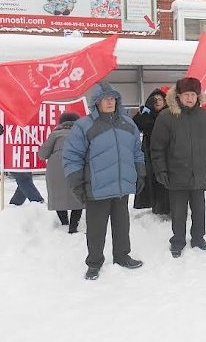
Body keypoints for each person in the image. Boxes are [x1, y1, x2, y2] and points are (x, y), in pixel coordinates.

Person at [63, 82, 146, 280]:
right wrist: (77, 184)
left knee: (122, 224)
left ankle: (122, 255)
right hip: (96, 187)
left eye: (113, 98)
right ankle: (94, 263)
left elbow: (136, 151)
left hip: (121, 186)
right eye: (105, 99)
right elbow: (72, 156)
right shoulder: (84, 125)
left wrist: (140, 173)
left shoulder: (128, 123)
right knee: (96, 229)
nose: (110, 102)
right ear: (96, 102)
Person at [151, 78, 206, 258]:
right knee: (178, 212)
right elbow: (157, 148)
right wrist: (161, 170)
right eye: (186, 95)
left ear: (198, 96)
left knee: (199, 210)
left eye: (193, 95)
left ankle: (198, 238)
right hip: (176, 174)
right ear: (178, 96)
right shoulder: (166, 117)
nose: (189, 98)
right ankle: (178, 241)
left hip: (199, 173)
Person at [0, 113, 45, 205]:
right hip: (7, 154)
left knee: (26, 180)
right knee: (24, 179)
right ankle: (38, 202)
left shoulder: (28, 112)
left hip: (22, 153)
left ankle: (15, 204)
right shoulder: (4, 111)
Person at [39, 112, 83, 233]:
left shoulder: (55, 134)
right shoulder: (82, 134)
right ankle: (73, 226)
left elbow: (42, 155)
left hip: (56, 168)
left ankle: (64, 223)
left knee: (58, 195)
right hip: (76, 166)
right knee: (78, 196)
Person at [133, 88, 170, 215]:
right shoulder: (146, 114)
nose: (158, 102)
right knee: (151, 179)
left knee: (164, 180)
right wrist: (145, 112)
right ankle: (154, 204)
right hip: (149, 152)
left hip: (166, 152)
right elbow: (136, 125)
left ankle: (164, 207)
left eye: (160, 99)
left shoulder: (169, 114)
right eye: (154, 100)